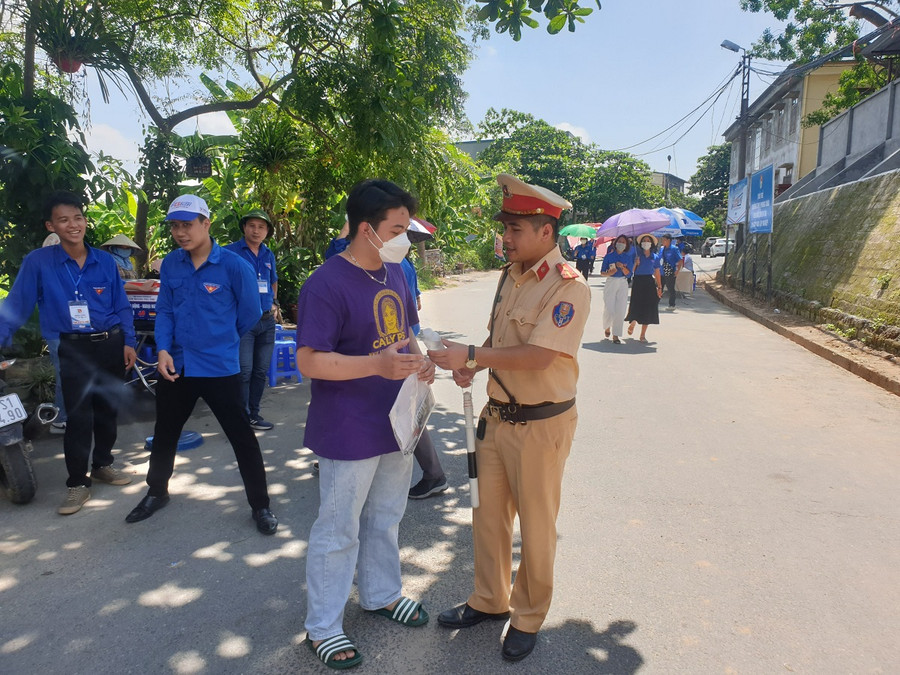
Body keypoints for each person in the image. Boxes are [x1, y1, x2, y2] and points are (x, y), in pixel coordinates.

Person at [428, 173, 590, 663]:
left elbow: (540, 355)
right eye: (506, 228)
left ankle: (527, 616)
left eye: (516, 228)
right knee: (487, 517)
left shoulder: (569, 287)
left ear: (546, 232)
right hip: (495, 419)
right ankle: (489, 599)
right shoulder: (510, 274)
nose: (507, 237)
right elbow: (502, 343)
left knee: (537, 526)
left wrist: (473, 352)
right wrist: (471, 365)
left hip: (542, 425)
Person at [296, 179, 434, 670]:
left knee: (386, 516)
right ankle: (324, 627)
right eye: (397, 228)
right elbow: (309, 361)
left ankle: (381, 593)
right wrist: (372, 366)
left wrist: (422, 363)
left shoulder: (396, 270)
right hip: (348, 425)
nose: (405, 236)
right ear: (365, 229)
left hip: (394, 420)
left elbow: (407, 333)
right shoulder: (326, 283)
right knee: (338, 529)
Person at [125, 195, 278, 536]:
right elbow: (164, 309)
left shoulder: (234, 266)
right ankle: (156, 492)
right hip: (176, 366)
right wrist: (162, 349)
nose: (181, 233)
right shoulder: (172, 265)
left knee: (242, 438)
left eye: (187, 225)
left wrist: (221, 340)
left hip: (219, 367)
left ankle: (261, 505)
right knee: (165, 433)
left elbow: (250, 313)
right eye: (175, 226)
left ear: (206, 224)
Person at [0, 190, 137, 514]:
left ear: (85, 220)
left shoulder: (104, 260)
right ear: (52, 225)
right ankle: (78, 483)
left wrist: (129, 341)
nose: (73, 225)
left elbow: (121, 304)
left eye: (78, 217)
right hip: (73, 348)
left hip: (110, 344)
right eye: (64, 219)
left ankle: (103, 463)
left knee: (107, 411)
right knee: (78, 417)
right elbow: (16, 306)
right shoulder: (39, 262)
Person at [400, 252, 449, 500]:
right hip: (402, 353)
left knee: (409, 416)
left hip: (398, 358)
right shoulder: (399, 263)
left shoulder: (395, 265)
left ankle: (434, 473)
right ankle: (433, 473)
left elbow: (405, 323)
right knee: (409, 415)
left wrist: (420, 360)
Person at [225, 209, 279, 431]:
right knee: (244, 371)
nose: (256, 230)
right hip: (244, 322)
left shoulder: (268, 255)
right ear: (244, 228)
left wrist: (275, 303)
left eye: (261, 227)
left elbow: (273, 281)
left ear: (267, 231)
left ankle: (254, 414)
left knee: (260, 371)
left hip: (267, 321)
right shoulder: (230, 253)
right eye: (252, 226)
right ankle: (240, 416)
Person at [41, 233, 67, 435]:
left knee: (70, 374)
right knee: (63, 374)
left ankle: (68, 416)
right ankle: (60, 420)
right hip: (56, 332)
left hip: (69, 331)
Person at [625, 234, 663, 342]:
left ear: (651, 244)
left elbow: (657, 272)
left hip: (649, 282)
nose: (646, 242)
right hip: (638, 281)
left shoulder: (655, 257)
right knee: (636, 304)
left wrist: (659, 287)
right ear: (641, 244)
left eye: (648, 241)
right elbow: (631, 271)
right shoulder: (637, 255)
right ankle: (633, 322)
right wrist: (636, 264)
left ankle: (642, 335)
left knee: (649, 307)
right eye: (644, 241)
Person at [600, 234, 632, 344]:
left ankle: (616, 335)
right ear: (615, 243)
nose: (621, 244)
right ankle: (607, 326)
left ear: (626, 245)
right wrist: (609, 273)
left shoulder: (627, 257)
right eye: (620, 241)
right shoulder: (609, 256)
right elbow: (602, 272)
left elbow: (629, 274)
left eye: (624, 242)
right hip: (611, 281)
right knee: (609, 308)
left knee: (620, 309)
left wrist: (622, 267)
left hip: (622, 282)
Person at [659, 233, 683, 310]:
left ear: (669, 240)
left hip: (670, 270)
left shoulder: (674, 249)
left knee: (670, 288)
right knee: (659, 287)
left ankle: (672, 304)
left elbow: (680, 260)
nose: (662, 241)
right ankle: (655, 302)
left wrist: (677, 271)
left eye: (664, 240)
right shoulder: (662, 248)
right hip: (662, 270)